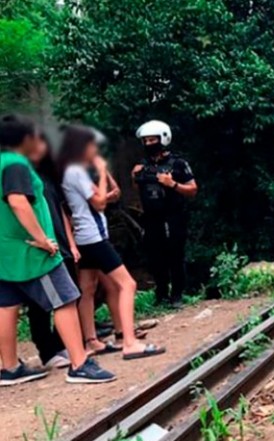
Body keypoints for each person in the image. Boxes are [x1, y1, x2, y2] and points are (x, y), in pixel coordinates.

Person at [0, 114, 115, 385]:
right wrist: (41, 239)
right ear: (26, 139)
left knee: (6, 306)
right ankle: (80, 363)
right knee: (64, 299)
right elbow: (18, 202)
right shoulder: (16, 164)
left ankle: (9, 367)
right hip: (31, 253)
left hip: (6, 252)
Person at [59, 125, 165, 360]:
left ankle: (91, 341)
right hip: (93, 237)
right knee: (127, 284)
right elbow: (99, 203)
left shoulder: (71, 171)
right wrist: (102, 169)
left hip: (85, 236)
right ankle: (129, 342)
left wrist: (103, 178)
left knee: (87, 288)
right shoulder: (76, 171)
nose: (95, 150)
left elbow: (102, 196)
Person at [23, 134, 77, 369]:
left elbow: (62, 212)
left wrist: (71, 244)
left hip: (60, 244)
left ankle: (61, 344)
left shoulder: (48, 178)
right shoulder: (19, 177)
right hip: (39, 247)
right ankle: (47, 350)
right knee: (40, 302)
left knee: (69, 295)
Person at [133, 120, 198, 308]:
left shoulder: (178, 163)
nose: (148, 144)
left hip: (174, 216)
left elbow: (193, 189)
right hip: (152, 217)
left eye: (152, 140)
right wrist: (134, 177)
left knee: (175, 255)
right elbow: (137, 191)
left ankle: (177, 294)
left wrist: (173, 185)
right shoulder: (143, 165)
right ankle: (161, 293)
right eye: (145, 141)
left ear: (163, 139)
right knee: (155, 256)